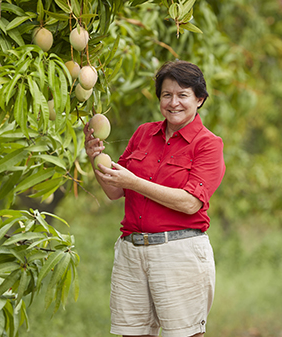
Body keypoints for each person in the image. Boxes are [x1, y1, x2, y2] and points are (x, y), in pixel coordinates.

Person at [83, 60, 225, 337]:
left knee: (184, 334)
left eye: (183, 95)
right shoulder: (144, 133)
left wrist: (134, 182)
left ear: (200, 99)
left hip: (178, 251)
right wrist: (94, 158)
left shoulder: (208, 144)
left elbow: (189, 202)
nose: (174, 103)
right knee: (132, 334)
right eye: (166, 95)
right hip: (132, 251)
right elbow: (114, 191)